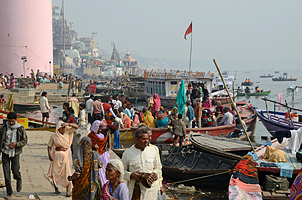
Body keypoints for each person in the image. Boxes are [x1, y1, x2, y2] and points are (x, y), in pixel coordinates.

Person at [122, 128, 162, 200]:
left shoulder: (153, 151)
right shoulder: (127, 153)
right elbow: (122, 172)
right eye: (144, 139)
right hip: (135, 189)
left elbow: (158, 167)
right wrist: (131, 175)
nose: (146, 141)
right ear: (137, 139)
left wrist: (156, 174)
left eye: (147, 139)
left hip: (151, 190)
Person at [0, 112, 27, 198]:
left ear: (16, 120)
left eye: (12, 121)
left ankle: (18, 179)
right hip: (5, 152)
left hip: (15, 153)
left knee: (15, 171)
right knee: (6, 174)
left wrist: (16, 144)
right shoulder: (3, 128)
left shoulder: (20, 128)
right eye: (9, 121)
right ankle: (9, 192)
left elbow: (25, 141)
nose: (11, 123)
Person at [47, 121, 78, 197]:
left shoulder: (68, 132)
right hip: (57, 155)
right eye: (62, 128)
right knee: (55, 172)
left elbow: (76, 127)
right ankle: (56, 187)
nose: (63, 129)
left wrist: (68, 124)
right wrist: (49, 154)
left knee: (67, 172)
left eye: (64, 127)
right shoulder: (54, 136)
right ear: (58, 128)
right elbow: (49, 146)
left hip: (66, 155)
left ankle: (68, 191)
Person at [88, 120, 110, 186]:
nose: (100, 128)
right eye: (99, 127)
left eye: (101, 127)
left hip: (102, 156)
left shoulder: (101, 136)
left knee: (102, 172)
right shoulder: (91, 136)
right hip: (94, 156)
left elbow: (113, 128)